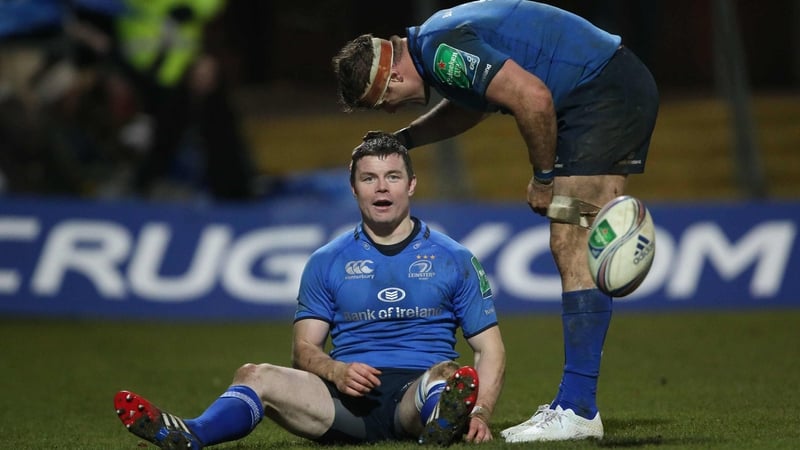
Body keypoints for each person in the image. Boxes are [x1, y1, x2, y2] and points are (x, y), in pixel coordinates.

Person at [331, 0, 659, 443]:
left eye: (384, 102)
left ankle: (578, 407)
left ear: (391, 76)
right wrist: (404, 139)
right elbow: (474, 105)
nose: (390, 111)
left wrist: (544, 178)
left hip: (598, 92)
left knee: (571, 241)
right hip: (605, 84)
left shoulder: (441, 50)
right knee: (574, 234)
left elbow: (532, 98)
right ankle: (578, 399)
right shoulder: (437, 47)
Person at [113, 131, 506, 448]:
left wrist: (481, 413)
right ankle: (191, 434)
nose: (381, 189)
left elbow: (490, 348)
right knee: (255, 375)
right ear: (354, 189)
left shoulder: (455, 257)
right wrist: (335, 370)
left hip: (416, 394)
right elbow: (303, 349)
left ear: (412, 185)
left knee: (447, 376)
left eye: (392, 177)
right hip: (345, 403)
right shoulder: (326, 260)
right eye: (369, 178)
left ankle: (444, 421)